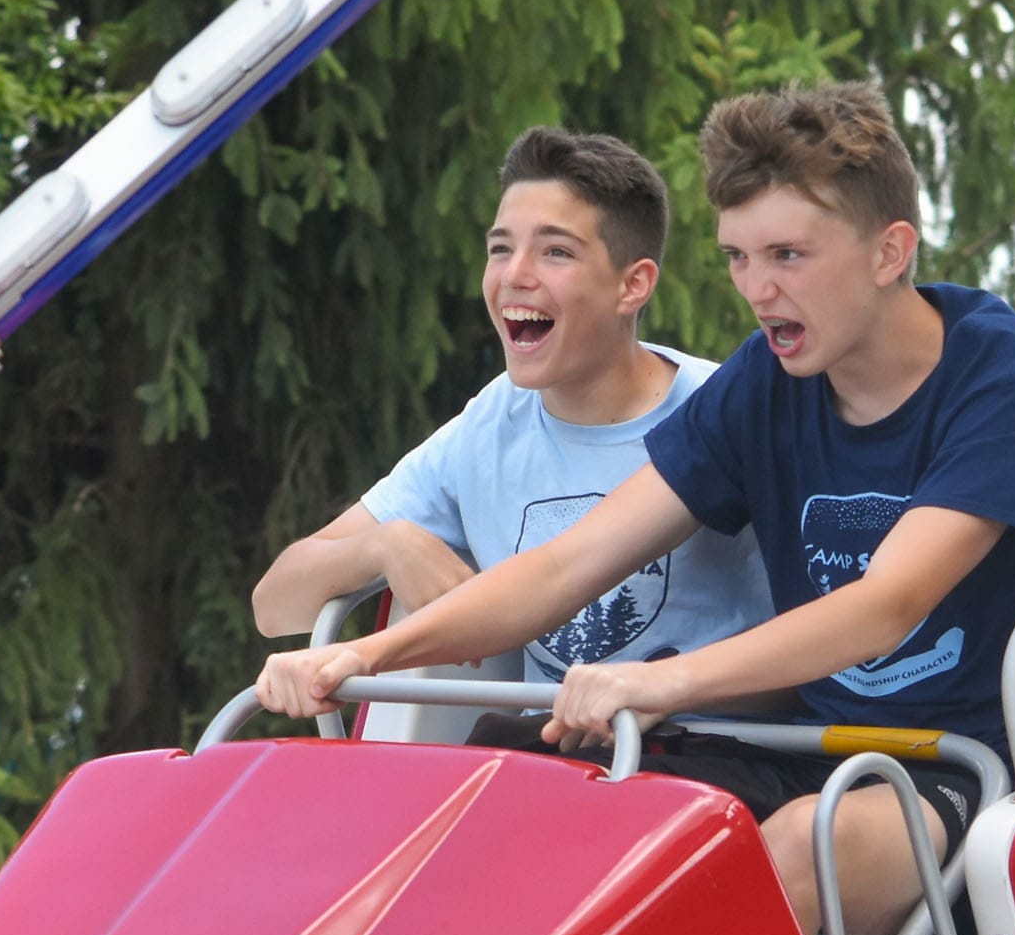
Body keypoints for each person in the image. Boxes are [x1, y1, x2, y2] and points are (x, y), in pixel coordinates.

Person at [259, 84, 1015, 935]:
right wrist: (365, 651)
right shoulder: (764, 383)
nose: (759, 291)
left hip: (963, 772)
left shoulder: (1001, 388)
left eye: (788, 256)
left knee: (799, 851)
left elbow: (883, 606)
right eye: (739, 258)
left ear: (889, 253)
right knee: (503, 812)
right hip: (804, 753)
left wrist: (660, 680)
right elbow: (571, 564)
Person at [250, 127, 767, 688]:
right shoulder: (488, 426)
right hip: (543, 758)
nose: (514, 276)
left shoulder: (720, 412)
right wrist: (385, 543)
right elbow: (275, 606)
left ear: (632, 285)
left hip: (710, 755)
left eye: (556, 252)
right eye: (501, 248)